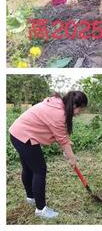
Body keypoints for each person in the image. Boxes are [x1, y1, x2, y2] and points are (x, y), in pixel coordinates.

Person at [9, 91, 88, 219]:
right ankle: (41, 209)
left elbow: (61, 135)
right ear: (74, 106)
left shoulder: (57, 103)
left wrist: (66, 145)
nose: (80, 112)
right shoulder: (59, 114)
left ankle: (31, 197)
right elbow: (61, 138)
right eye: (81, 109)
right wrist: (72, 157)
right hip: (24, 136)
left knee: (29, 168)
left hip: (17, 133)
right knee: (39, 170)